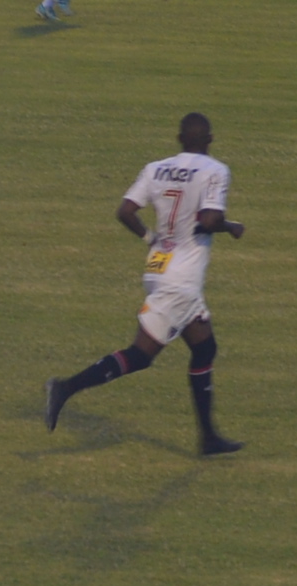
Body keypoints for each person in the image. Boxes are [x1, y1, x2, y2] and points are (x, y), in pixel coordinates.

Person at [41, 108, 244, 455]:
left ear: (179, 139)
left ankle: (209, 438)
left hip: (159, 268)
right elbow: (209, 220)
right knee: (140, 355)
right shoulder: (215, 170)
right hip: (181, 281)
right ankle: (65, 388)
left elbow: (125, 212)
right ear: (210, 140)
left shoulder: (156, 168)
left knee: (204, 348)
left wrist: (151, 238)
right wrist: (231, 226)